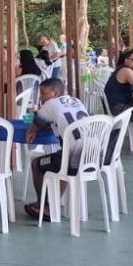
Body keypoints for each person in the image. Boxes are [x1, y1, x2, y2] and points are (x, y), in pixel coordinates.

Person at [24, 77, 88, 218]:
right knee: (62, 157)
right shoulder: (76, 101)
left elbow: (37, 122)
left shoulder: (51, 104)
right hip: (92, 156)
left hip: (73, 160)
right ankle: (52, 203)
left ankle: (44, 205)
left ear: (55, 93)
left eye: (44, 93)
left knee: (36, 164)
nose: (41, 97)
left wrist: (33, 130)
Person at [104, 48, 133, 116]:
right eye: (132, 60)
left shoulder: (123, 68)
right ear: (126, 60)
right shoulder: (126, 70)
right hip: (119, 108)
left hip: (115, 106)